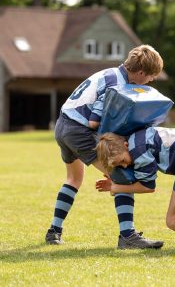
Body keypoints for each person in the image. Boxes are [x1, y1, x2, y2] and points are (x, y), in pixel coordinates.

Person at [45, 44, 164, 249]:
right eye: (151, 76)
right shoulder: (117, 84)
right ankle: (128, 236)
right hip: (80, 131)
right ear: (141, 72)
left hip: (63, 125)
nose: (151, 80)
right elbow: (94, 123)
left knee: (74, 178)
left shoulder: (109, 73)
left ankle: (54, 231)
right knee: (123, 176)